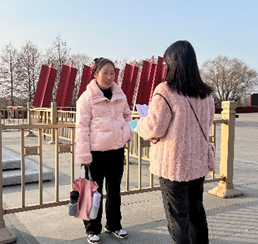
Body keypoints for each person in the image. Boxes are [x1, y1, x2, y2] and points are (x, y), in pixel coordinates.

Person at [136, 40, 215, 244]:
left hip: (174, 164)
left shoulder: (165, 91)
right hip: (198, 161)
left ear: (172, 63)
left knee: (177, 216)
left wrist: (137, 125)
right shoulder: (206, 93)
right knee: (196, 211)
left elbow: (155, 127)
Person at [75, 57, 134, 244]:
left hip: (116, 150)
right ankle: (92, 229)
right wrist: (84, 154)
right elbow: (82, 127)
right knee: (92, 191)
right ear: (95, 74)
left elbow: (128, 115)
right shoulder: (87, 98)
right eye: (105, 73)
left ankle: (114, 225)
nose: (109, 77)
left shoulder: (120, 95)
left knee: (114, 190)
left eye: (112, 73)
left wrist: (125, 133)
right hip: (95, 154)